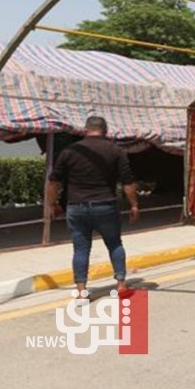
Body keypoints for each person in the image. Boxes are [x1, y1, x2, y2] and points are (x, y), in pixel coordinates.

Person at [45, 116, 137, 297]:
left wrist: (52, 204)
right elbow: (128, 181)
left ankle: (81, 291)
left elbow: (53, 181)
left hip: (77, 207)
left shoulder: (70, 151)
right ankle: (121, 285)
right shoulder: (116, 151)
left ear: (85, 130)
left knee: (80, 249)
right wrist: (134, 205)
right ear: (106, 130)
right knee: (114, 244)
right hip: (106, 206)